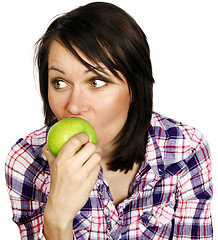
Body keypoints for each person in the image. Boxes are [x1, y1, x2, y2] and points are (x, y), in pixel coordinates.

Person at [5, 2, 213, 240]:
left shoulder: (185, 150)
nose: (73, 106)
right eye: (60, 83)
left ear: (134, 87)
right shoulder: (27, 161)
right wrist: (57, 221)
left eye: (96, 82)